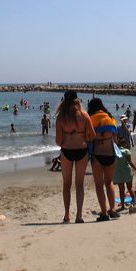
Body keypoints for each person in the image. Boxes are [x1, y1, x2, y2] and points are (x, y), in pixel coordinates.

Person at [55, 90, 95, 224]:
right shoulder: (84, 115)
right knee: (79, 185)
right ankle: (79, 216)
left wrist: (68, 136)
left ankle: (67, 215)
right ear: (77, 101)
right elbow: (92, 135)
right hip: (82, 151)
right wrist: (83, 137)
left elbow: (58, 141)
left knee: (66, 185)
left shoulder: (61, 117)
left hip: (66, 151)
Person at [88, 98, 119, 221]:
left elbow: (88, 138)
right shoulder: (111, 119)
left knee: (99, 185)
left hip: (97, 155)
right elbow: (115, 140)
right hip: (111, 154)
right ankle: (113, 209)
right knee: (109, 182)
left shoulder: (91, 119)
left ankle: (104, 213)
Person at [113, 138, 136, 210]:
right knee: (130, 188)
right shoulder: (126, 151)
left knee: (121, 190)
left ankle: (122, 206)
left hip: (118, 172)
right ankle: (134, 203)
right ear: (124, 144)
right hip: (127, 171)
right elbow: (130, 162)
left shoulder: (115, 152)